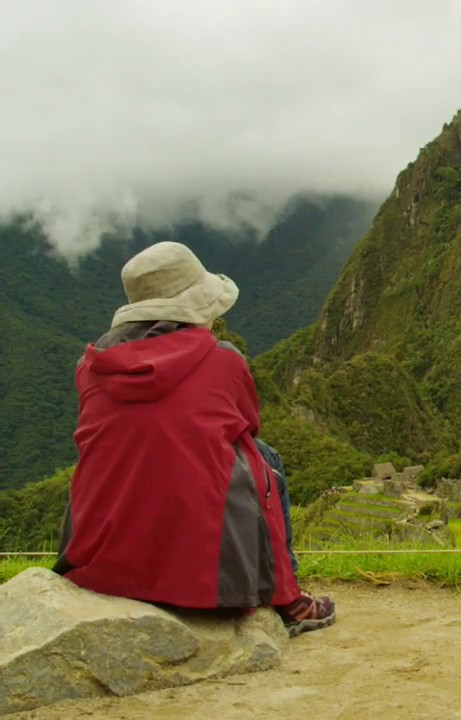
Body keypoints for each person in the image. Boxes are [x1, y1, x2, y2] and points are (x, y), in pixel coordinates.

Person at [53, 242, 335, 636]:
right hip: (206, 574)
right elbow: (247, 427)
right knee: (265, 457)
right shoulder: (224, 361)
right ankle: (288, 598)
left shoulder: (90, 367)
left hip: (99, 557)